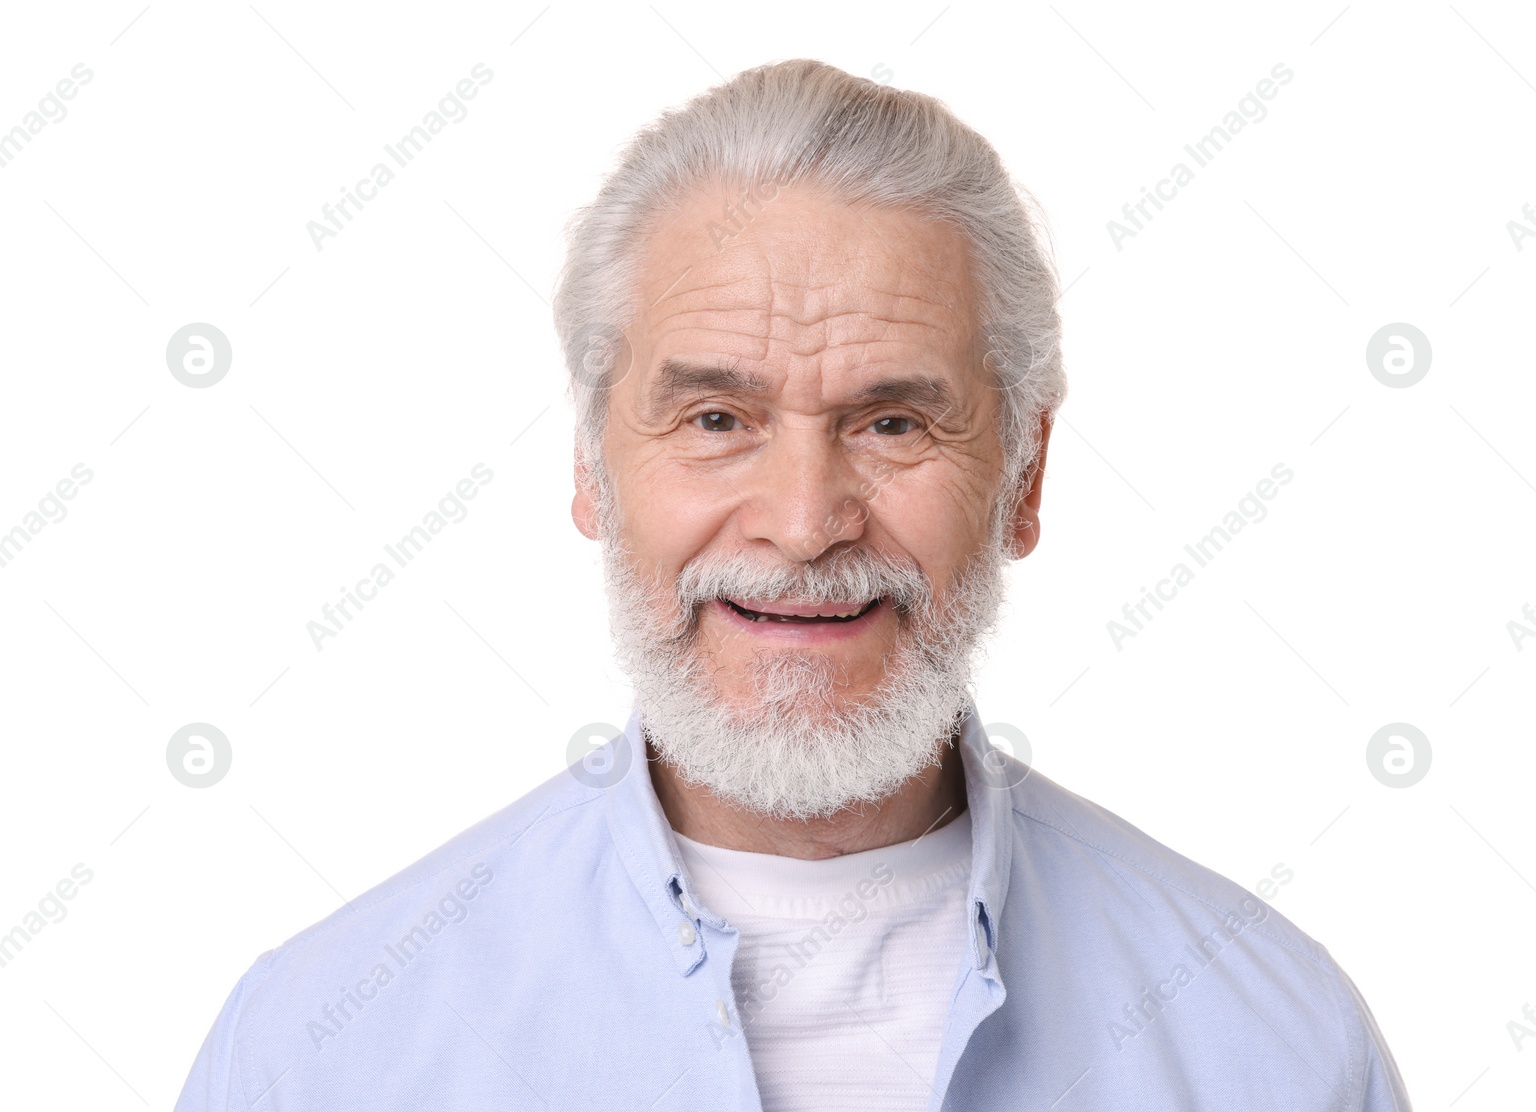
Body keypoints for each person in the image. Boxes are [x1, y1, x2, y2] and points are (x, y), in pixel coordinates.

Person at [175, 58, 1411, 1111]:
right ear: (591, 469)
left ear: (1024, 476)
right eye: (716, 416)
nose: (806, 522)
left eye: (891, 422)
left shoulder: (1280, 1051)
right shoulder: (318, 1054)